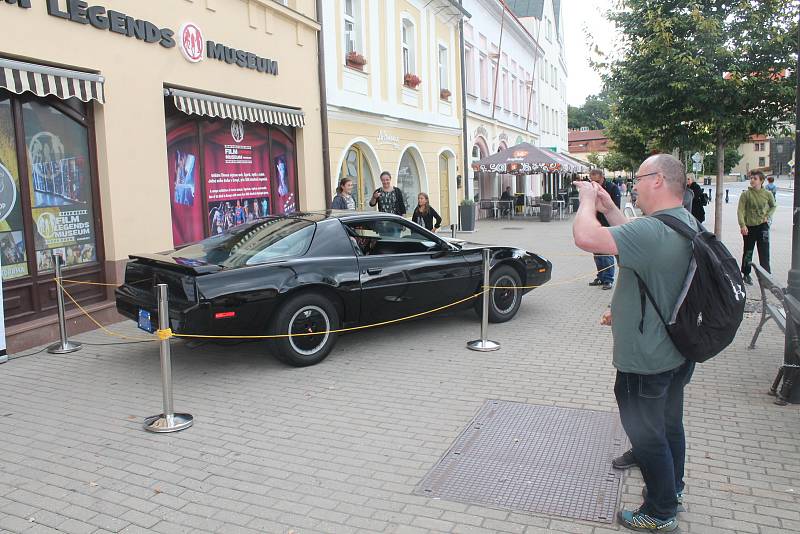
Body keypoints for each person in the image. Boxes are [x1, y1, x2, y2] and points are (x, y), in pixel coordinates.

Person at [572, 153, 698, 533]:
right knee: (669, 424)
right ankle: (672, 489)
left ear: (657, 180)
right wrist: (609, 206)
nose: (633, 184)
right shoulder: (681, 222)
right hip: (675, 351)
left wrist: (586, 202)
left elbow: (585, 237)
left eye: (638, 178)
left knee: (647, 435)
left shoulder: (653, 230)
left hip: (646, 358)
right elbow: (635, 239)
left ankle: (659, 512)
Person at [737, 170, 776, 285]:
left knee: (764, 252)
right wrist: (742, 225)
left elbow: (773, 206)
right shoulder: (746, 194)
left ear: (761, 181)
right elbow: (740, 210)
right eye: (751, 178)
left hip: (762, 227)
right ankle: (746, 274)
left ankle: (766, 277)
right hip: (749, 227)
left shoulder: (767, 194)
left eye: (755, 178)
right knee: (748, 251)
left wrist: (767, 216)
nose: (752, 180)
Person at [587, 169, 621, 290]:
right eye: (591, 179)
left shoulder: (612, 188)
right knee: (596, 253)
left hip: (607, 225)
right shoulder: (592, 189)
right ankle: (601, 276)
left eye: (595, 179)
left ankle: (608, 279)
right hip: (594, 224)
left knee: (606, 253)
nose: (593, 182)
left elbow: (616, 207)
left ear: (602, 177)